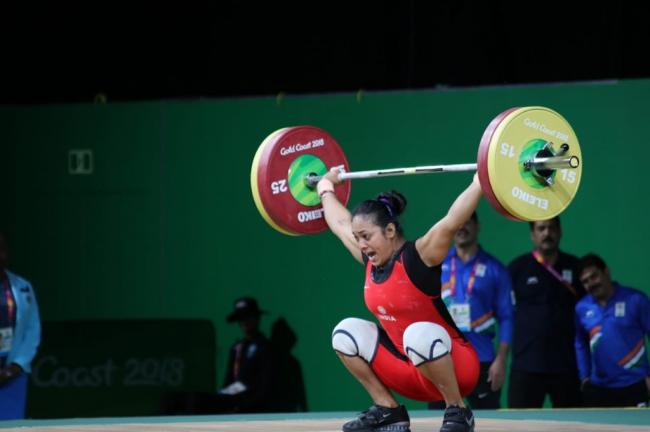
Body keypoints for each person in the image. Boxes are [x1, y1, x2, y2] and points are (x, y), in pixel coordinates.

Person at [318, 169, 482, 432]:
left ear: (390, 230)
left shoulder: (419, 256)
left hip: (457, 369)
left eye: (366, 236)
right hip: (409, 372)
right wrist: (326, 187)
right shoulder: (369, 260)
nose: (361, 244)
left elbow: (452, 221)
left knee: (416, 334)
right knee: (344, 333)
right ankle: (389, 410)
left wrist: (480, 181)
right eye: (358, 238)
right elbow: (339, 224)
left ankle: (458, 410)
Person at [429, 212, 513, 410]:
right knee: (438, 420)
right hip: (442, 358)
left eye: (467, 223)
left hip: (482, 360)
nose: (462, 227)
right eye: (459, 222)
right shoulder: (437, 265)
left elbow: (507, 317)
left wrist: (501, 359)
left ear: (477, 226)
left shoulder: (495, 269)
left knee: (487, 422)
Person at [507, 217, 585, 408]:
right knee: (519, 422)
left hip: (566, 363)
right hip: (527, 363)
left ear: (560, 232)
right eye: (541, 228)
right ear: (532, 235)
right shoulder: (517, 268)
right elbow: (505, 312)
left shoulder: (575, 267)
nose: (547, 233)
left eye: (552, 228)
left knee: (574, 422)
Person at [161, 296, 273, 414]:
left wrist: (241, 406)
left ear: (256, 317)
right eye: (241, 318)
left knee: (195, 402)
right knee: (173, 400)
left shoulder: (265, 347)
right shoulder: (237, 348)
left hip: (246, 405)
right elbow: (228, 382)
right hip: (229, 400)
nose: (244, 321)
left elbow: (265, 388)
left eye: (248, 316)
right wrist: (224, 399)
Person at [574, 253, 650, 407]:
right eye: (585, 281)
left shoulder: (636, 299)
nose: (591, 283)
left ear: (606, 271)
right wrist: (584, 377)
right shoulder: (581, 308)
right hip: (598, 389)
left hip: (634, 385)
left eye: (594, 276)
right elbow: (580, 343)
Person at [0, 231, 41, 420]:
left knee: (12, 427)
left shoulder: (22, 286)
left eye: (1, 249)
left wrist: (17, 365)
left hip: (12, 375)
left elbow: (33, 330)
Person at [269, 317, 308, 412]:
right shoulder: (267, 360)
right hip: (269, 410)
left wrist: (304, 410)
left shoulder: (293, 363)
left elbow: (300, 391)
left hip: (288, 409)